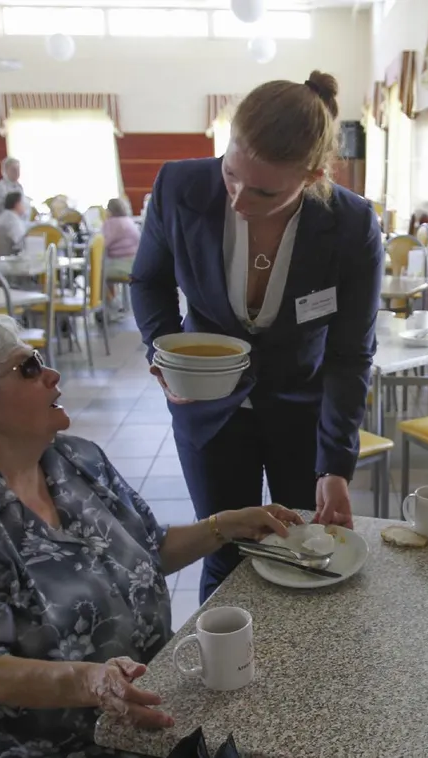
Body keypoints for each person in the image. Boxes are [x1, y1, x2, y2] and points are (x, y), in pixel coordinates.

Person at [0, 316, 304, 758]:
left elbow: (149, 550)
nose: (52, 373)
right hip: (50, 744)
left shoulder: (75, 460)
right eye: (28, 368)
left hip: (152, 706)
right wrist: (92, 683)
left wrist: (225, 526)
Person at [131, 70, 383, 601]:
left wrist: (335, 464)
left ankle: (302, 654)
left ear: (312, 176)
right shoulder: (179, 187)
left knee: (306, 551)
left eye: (265, 190)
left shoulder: (351, 225)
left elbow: (350, 354)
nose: (239, 200)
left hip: (302, 413)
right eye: (231, 174)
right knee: (224, 552)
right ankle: (222, 650)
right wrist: (165, 354)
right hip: (207, 410)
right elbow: (148, 281)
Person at [102, 197, 140, 280]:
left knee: (97, 272)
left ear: (109, 211)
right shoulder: (129, 221)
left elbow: (104, 244)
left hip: (121, 265)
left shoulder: (111, 223)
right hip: (135, 264)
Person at [0, 191, 27, 257]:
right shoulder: (12, 221)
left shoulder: (3, 216)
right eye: (23, 203)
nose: (25, 206)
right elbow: (22, 245)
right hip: (9, 260)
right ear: (17, 204)